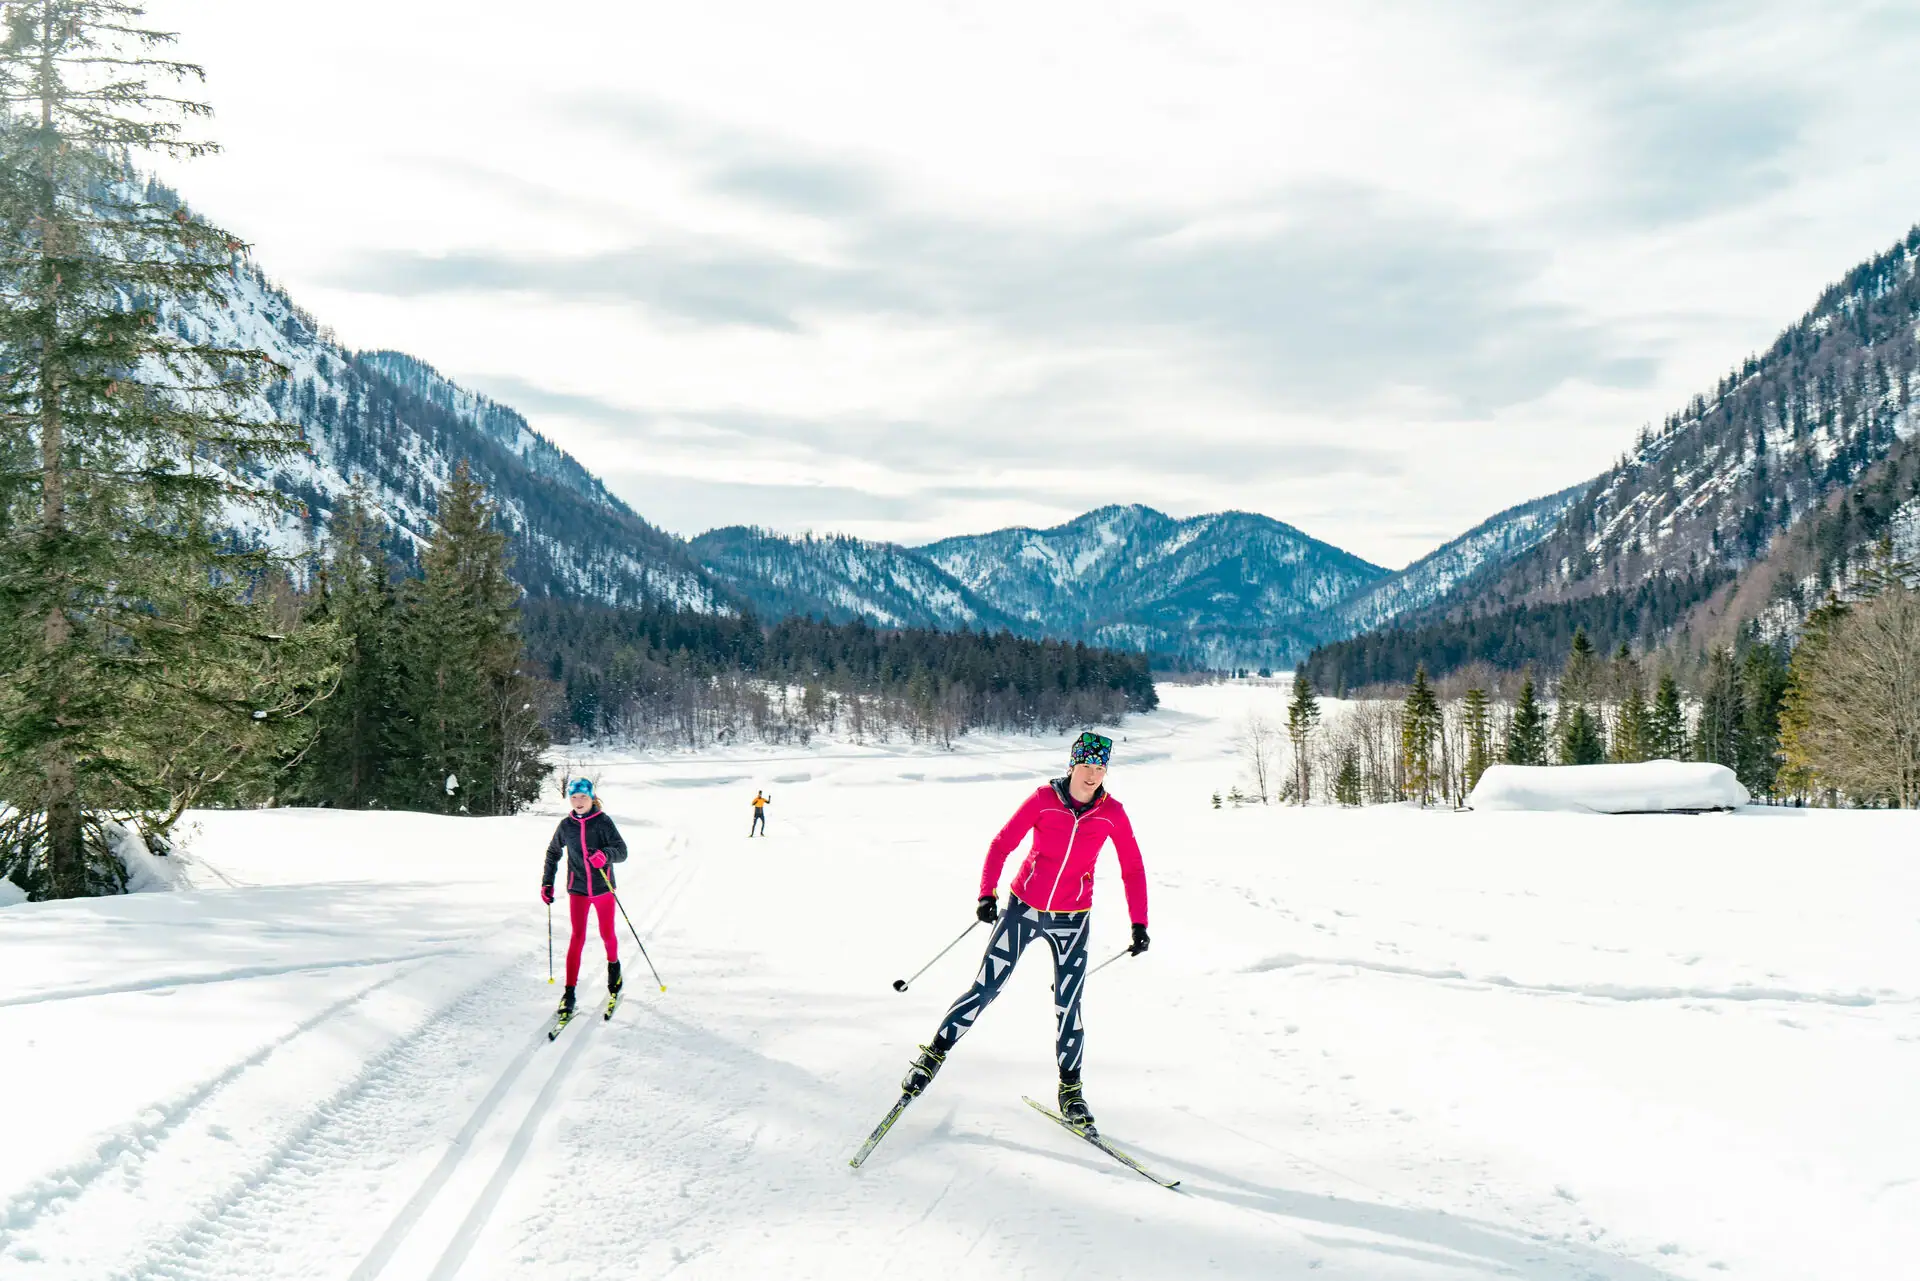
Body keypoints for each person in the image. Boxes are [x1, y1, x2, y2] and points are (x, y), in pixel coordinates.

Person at [896, 730, 1149, 1128]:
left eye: (1100, 768)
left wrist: (1139, 923)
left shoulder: (1112, 813)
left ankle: (1071, 1092)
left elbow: (1132, 867)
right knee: (986, 989)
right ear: (1072, 764)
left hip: (1073, 920)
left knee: (1069, 1006)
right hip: (1023, 910)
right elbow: (1002, 844)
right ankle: (932, 1057)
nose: (1092, 775)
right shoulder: (1043, 801)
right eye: (1086, 766)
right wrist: (986, 894)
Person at [541, 778, 629, 1016]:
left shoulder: (602, 822)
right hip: (578, 889)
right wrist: (547, 883)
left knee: (606, 934)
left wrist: (605, 855)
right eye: (574, 797)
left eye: (583, 797)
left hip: (603, 888)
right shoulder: (566, 825)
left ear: (591, 798)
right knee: (577, 938)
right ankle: (569, 993)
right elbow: (553, 853)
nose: (578, 802)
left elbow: (622, 851)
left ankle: (614, 968)